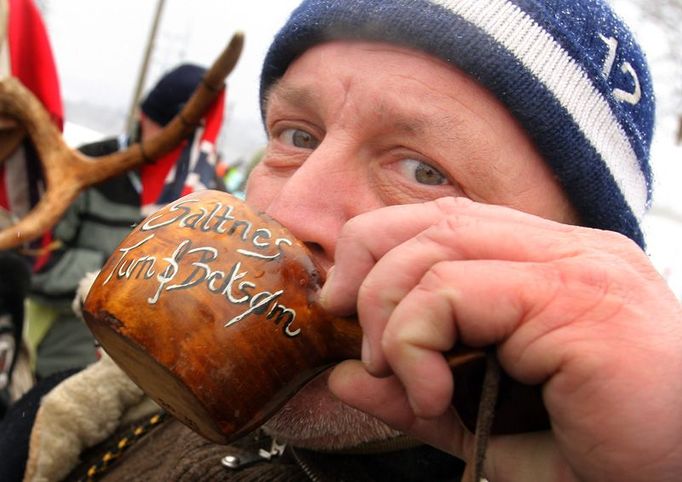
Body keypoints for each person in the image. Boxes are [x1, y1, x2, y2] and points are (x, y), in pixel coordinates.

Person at [3, 0, 682, 481]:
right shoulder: (79, 416)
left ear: (576, 257)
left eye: (423, 171)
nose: (291, 210)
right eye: (297, 136)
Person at [26, 63, 225, 379]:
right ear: (143, 116)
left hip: (148, 377)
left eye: (189, 141)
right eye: (168, 131)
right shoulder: (87, 168)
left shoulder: (206, 196)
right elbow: (34, 262)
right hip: (62, 356)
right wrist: (121, 272)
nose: (176, 150)